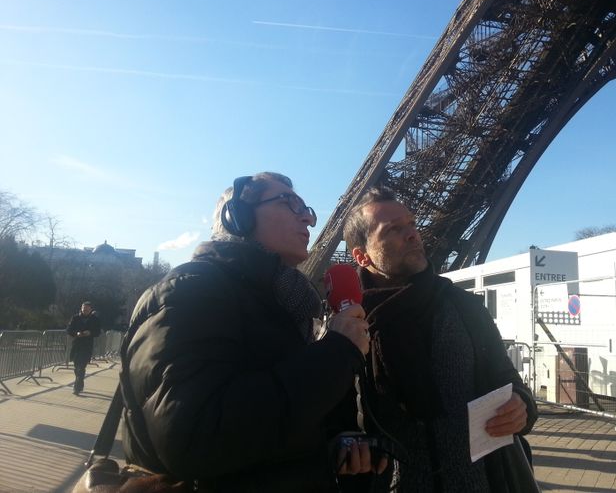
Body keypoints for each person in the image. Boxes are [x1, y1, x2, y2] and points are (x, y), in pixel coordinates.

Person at [121, 172, 383, 492]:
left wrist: (338, 439)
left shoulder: (290, 305)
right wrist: (337, 351)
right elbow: (195, 439)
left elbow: (280, 421)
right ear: (237, 218)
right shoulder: (191, 291)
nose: (308, 219)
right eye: (290, 202)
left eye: (307, 208)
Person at [343, 186, 538, 492]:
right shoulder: (347, 324)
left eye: (411, 224)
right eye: (393, 229)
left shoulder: (465, 307)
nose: (412, 234)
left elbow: (507, 380)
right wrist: (345, 444)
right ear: (362, 256)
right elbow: (334, 418)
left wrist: (521, 405)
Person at [66, 301, 102, 395]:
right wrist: (76, 333)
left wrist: (90, 333)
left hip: (87, 346)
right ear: (81, 308)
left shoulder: (95, 319)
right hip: (76, 345)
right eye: (83, 309)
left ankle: (76, 387)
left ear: (90, 309)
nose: (84, 310)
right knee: (76, 367)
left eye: (86, 309)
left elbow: (98, 332)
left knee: (81, 367)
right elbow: (69, 330)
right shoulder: (75, 318)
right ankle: (80, 383)